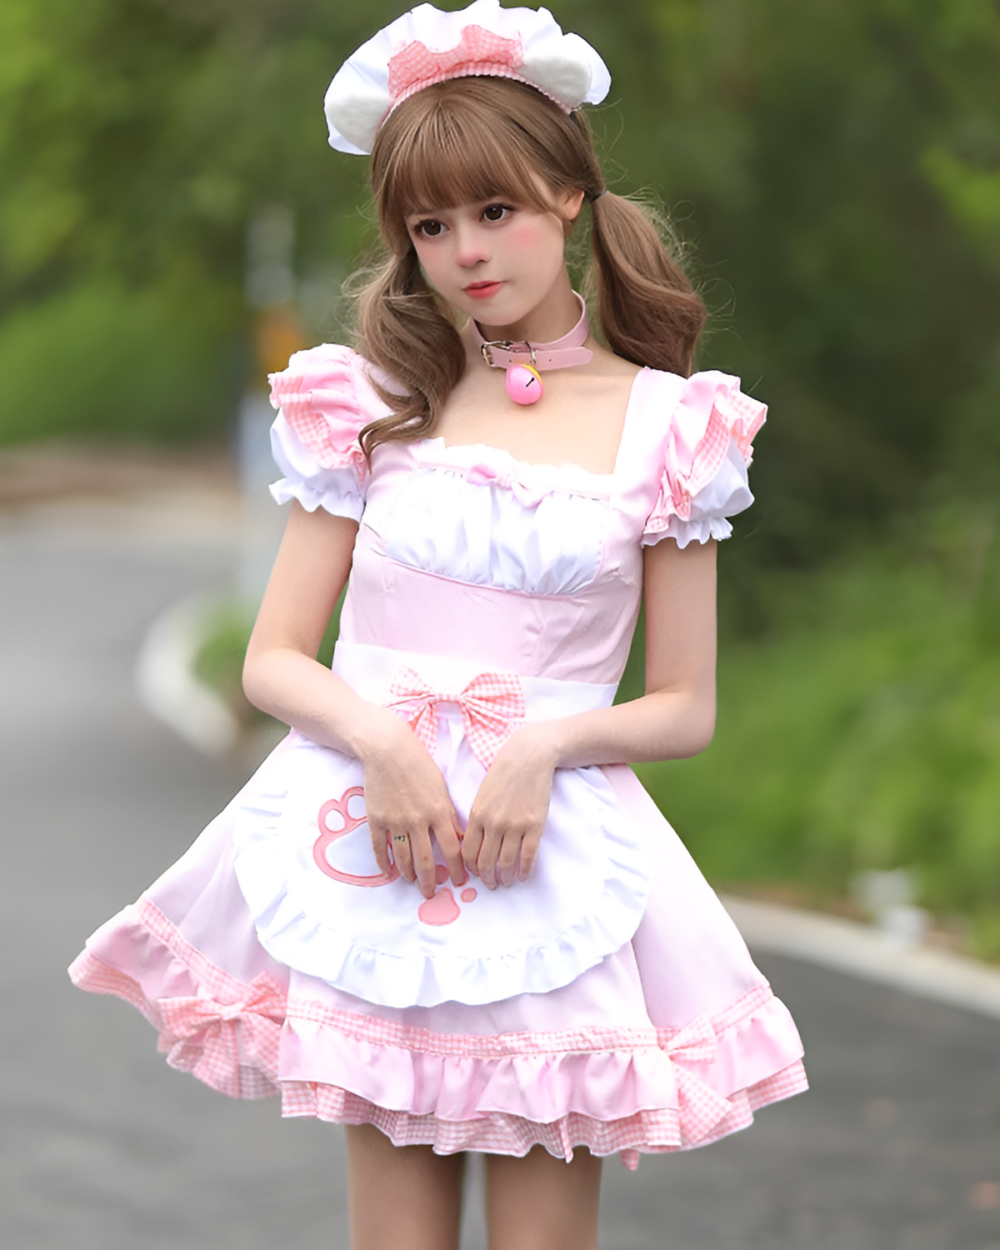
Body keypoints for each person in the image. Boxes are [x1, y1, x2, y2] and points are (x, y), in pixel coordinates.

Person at [70, 3, 807, 1247]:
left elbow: (684, 703)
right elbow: (272, 659)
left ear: (568, 194)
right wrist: (388, 743)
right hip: (377, 847)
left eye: (495, 209)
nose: (465, 250)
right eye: (430, 224)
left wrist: (536, 748)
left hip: (549, 864)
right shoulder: (367, 403)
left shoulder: (672, 425)